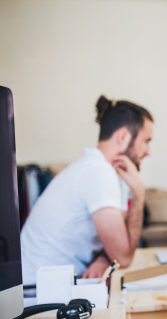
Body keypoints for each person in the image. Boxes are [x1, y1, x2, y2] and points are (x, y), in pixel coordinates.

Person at [20, 95, 152, 284]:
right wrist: (139, 193)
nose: (148, 151)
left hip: (59, 283)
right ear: (123, 137)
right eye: (146, 141)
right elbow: (124, 257)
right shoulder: (98, 173)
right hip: (37, 290)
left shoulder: (109, 171)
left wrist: (104, 258)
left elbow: (119, 244)